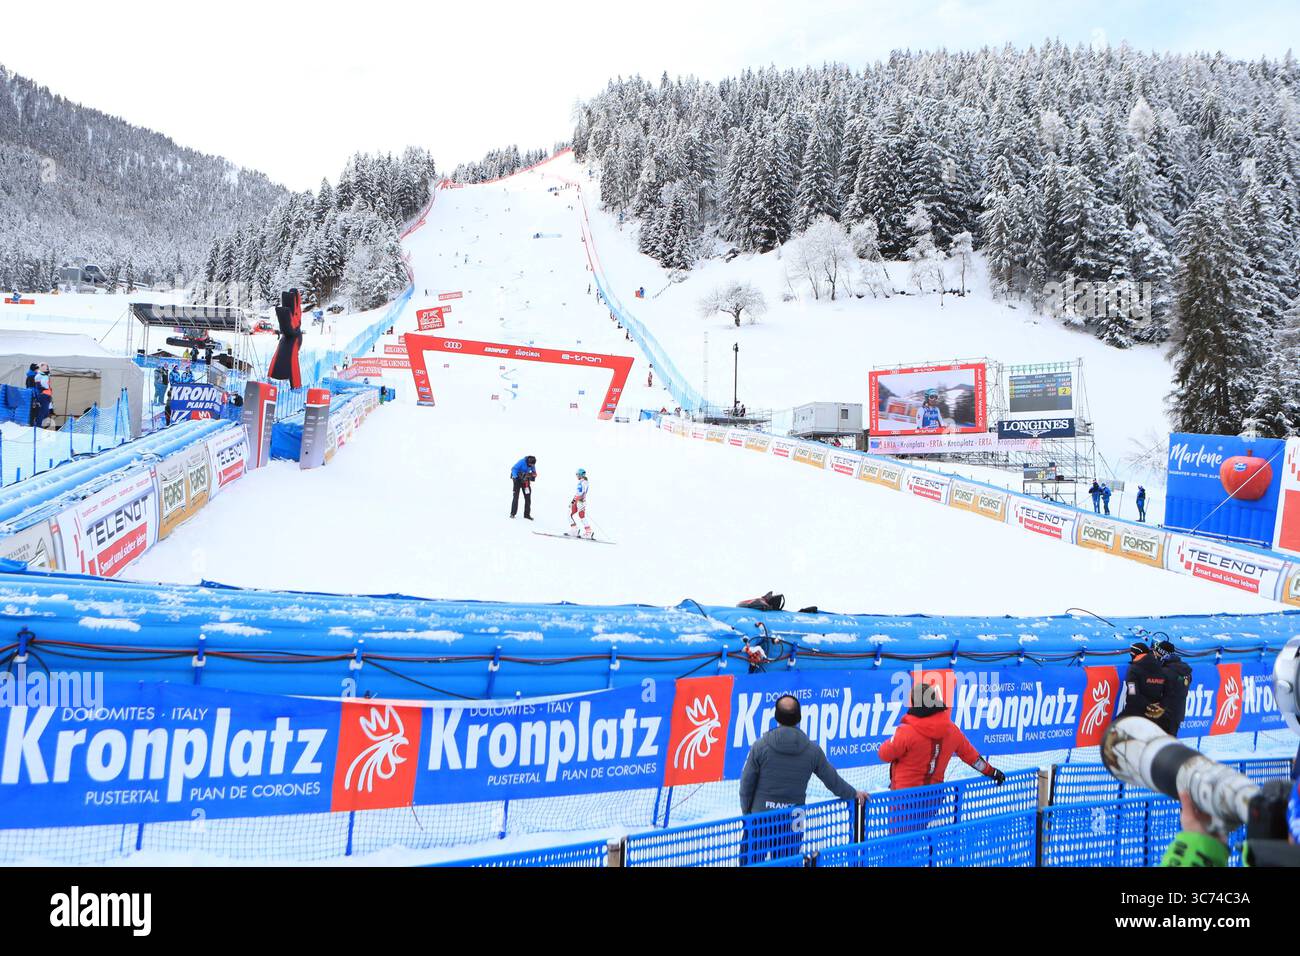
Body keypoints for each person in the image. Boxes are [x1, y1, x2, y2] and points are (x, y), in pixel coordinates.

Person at [737, 694, 866, 864]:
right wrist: (854, 793)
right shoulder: (812, 750)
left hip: (760, 820)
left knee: (750, 863)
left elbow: (746, 785)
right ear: (799, 717)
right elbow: (833, 781)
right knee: (788, 863)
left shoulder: (760, 746)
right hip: (792, 820)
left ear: (776, 716)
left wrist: (748, 814)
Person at [878, 682, 1006, 791]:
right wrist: (992, 772)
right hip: (933, 801)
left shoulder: (906, 732)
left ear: (913, 703)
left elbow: (884, 754)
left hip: (903, 802)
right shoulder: (952, 730)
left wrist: (893, 739)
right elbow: (973, 758)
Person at [1117, 641, 1167, 721]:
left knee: (1115, 727)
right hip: (1154, 714)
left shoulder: (1134, 669)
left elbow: (1132, 693)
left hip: (1136, 712)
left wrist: (1146, 705)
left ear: (1134, 654)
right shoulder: (1160, 668)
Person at [1152, 641, 1192, 736]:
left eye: (1156, 653)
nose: (1154, 655)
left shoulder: (1165, 671)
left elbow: (1157, 690)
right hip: (1177, 714)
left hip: (1164, 714)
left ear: (1162, 654)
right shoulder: (1185, 671)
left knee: (1159, 744)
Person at [509, 455, 537, 520]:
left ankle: (527, 515)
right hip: (517, 480)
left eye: (532, 465)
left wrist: (533, 475)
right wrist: (515, 477)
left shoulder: (532, 464)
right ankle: (512, 513)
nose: (531, 466)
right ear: (527, 461)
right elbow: (513, 469)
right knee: (516, 497)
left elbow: (534, 472)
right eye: (530, 464)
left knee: (528, 497)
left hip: (525, 481)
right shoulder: (521, 462)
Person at [568, 468, 592, 538]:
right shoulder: (580, 482)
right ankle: (574, 530)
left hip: (581, 501)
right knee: (569, 514)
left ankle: (589, 532)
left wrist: (580, 501)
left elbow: (583, 493)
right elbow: (577, 493)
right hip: (577, 501)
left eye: (577, 474)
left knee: (581, 516)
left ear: (581, 475)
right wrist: (572, 502)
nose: (576, 476)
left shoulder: (584, 482)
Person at [33, 363, 52, 428]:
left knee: (46, 412)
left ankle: (41, 426)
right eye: (46, 367)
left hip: (47, 395)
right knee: (42, 411)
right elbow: (38, 386)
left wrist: (49, 392)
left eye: (47, 367)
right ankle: (38, 426)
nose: (47, 368)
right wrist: (45, 390)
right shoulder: (38, 376)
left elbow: (48, 385)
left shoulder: (46, 375)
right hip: (43, 395)